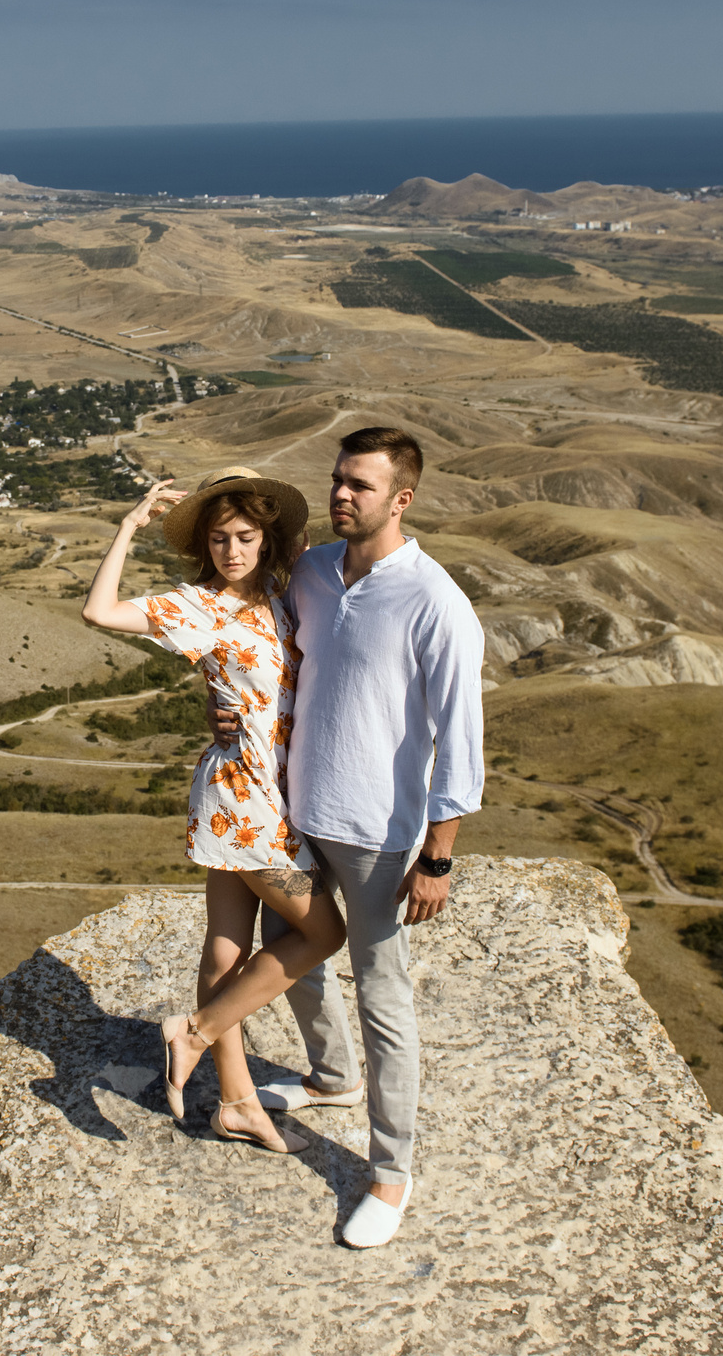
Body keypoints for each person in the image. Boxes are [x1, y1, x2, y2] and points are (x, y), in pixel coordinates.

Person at [211, 425, 485, 1248]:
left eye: (360, 486)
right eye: (336, 480)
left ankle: (390, 1175)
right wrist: (224, 706)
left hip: (376, 836)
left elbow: (461, 741)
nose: (340, 495)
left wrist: (438, 855)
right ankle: (331, 1076)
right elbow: (266, 659)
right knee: (289, 960)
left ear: (401, 499)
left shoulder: (436, 601)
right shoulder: (316, 575)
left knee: (384, 998)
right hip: (293, 813)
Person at [81, 465, 347, 1153]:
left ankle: (236, 1102)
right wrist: (127, 526)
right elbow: (100, 611)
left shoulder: (281, 598)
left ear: (265, 540)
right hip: (243, 798)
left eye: (246, 536)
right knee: (325, 934)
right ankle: (193, 1032)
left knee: (227, 949)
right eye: (221, 538)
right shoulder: (201, 605)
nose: (232, 549)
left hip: (261, 792)